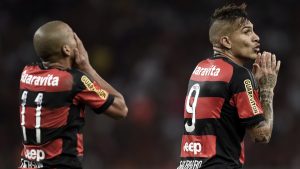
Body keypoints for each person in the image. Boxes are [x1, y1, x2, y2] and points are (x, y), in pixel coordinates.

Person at [177, 3, 281, 169]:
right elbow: (261, 135)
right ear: (226, 41)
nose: (256, 37)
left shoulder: (199, 68)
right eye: (247, 32)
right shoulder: (239, 75)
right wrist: (267, 90)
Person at [18, 20, 128, 169]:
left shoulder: (26, 73)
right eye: (73, 36)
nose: (77, 40)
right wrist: (87, 68)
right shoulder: (74, 80)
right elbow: (121, 109)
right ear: (67, 49)